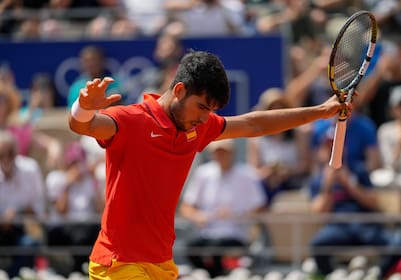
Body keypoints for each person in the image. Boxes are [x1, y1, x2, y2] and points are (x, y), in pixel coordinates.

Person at [68, 50, 350, 279]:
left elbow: (255, 123)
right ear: (179, 90)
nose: (205, 119)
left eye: (211, 112)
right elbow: (85, 126)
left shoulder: (198, 127)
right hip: (118, 263)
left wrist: (320, 112)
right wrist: (83, 107)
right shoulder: (130, 120)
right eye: (202, 107)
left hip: (161, 262)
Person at [308, 126, 401, 279]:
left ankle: (377, 274)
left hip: (364, 223)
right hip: (338, 226)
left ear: (344, 149)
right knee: (317, 245)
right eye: (329, 146)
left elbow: (374, 202)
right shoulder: (318, 180)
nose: (332, 150)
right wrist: (328, 187)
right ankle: (336, 275)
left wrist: (350, 183)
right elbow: (319, 212)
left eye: (336, 146)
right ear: (321, 151)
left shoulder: (359, 170)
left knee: (399, 244)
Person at [180, 138, 266, 278]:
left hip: (236, 234)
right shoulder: (203, 173)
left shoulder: (247, 175)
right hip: (207, 233)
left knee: (216, 249)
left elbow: (260, 207)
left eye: (224, 152)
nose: (221, 156)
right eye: (217, 153)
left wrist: (237, 215)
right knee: (192, 249)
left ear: (232, 153)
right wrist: (198, 216)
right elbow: (186, 207)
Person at [45, 140, 104, 275]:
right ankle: (80, 270)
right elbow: (62, 211)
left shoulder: (90, 181)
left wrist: (95, 184)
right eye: (74, 163)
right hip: (65, 227)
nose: (77, 168)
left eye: (80, 163)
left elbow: (100, 209)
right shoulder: (57, 179)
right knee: (80, 236)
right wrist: (67, 185)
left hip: (87, 227)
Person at [247, 88, 311, 207]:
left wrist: (287, 171)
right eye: (272, 108)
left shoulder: (298, 134)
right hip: (267, 187)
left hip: (294, 183)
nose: (276, 112)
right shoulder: (257, 139)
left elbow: (305, 166)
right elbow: (253, 171)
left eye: (280, 108)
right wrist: (269, 172)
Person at [0, 130, 45, 277]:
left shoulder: (30, 169)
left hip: (23, 228)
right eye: (1, 155)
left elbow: (39, 210)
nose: (6, 159)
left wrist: (17, 212)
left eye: (10, 153)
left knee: (30, 243)